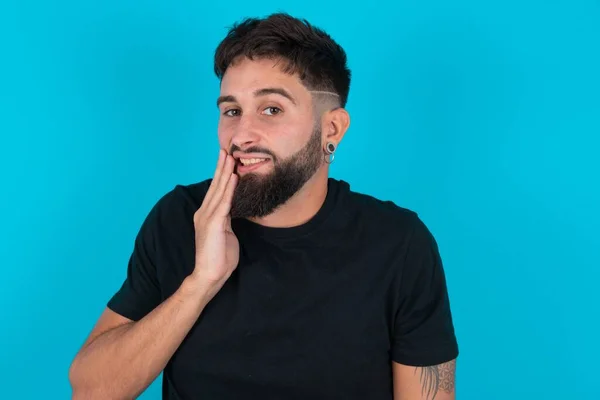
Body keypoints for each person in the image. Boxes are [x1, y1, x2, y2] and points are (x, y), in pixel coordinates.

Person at [69, 12, 459, 400]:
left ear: (332, 129)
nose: (241, 135)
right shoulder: (181, 217)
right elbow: (90, 391)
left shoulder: (398, 243)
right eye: (231, 111)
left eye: (271, 109)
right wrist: (200, 283)